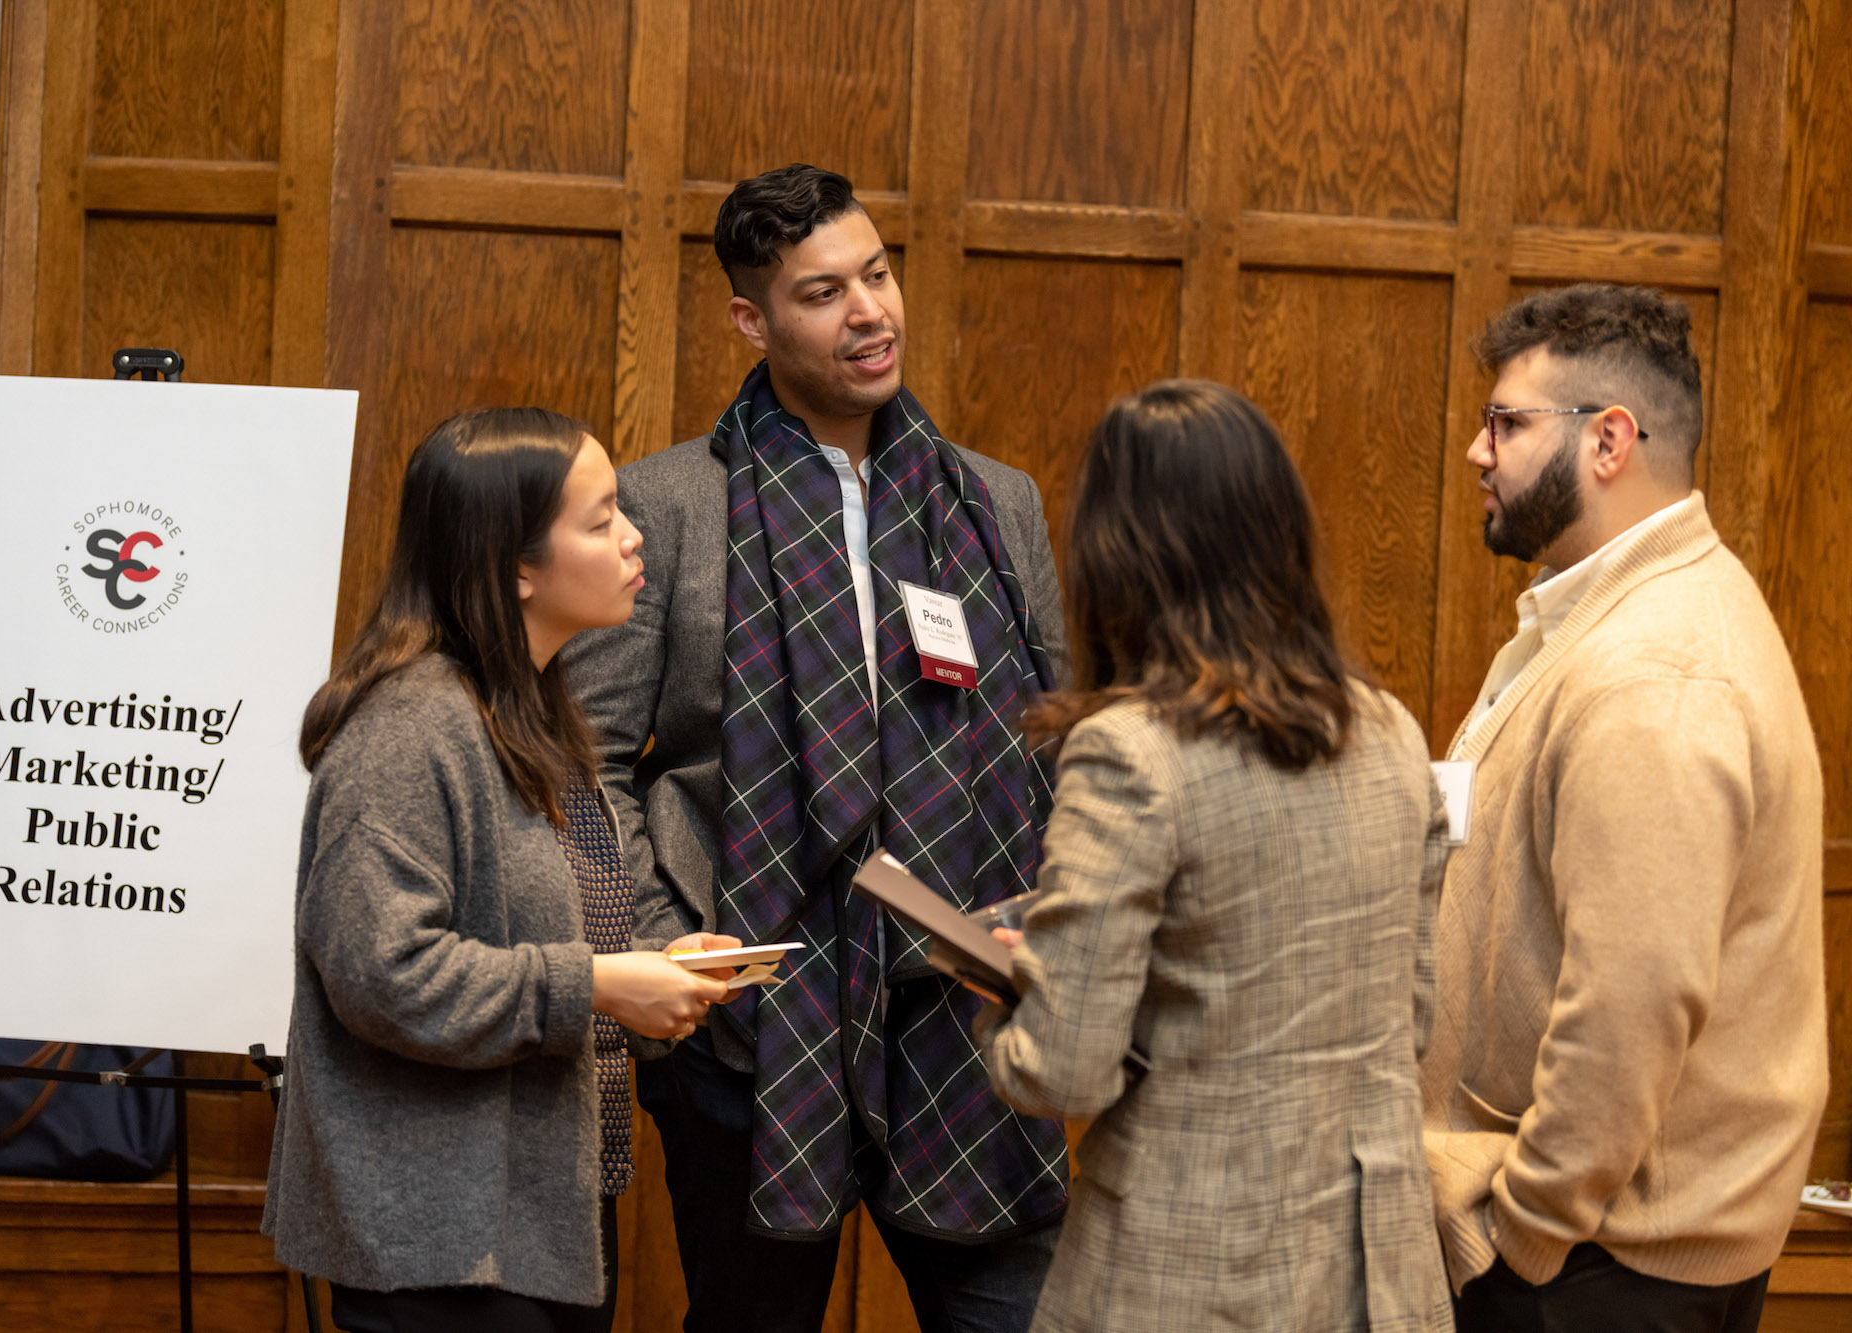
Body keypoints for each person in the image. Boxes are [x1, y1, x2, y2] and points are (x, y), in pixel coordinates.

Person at [561, 164, 1069, 1332]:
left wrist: (1046, 925)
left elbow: (1054, 739)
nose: (868, 314)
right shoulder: (667, 503)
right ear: (752, 317)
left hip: (965, 1021)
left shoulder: (996, 503)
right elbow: (588, 762)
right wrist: (655, 949)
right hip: (751, 1026)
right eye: (822, 292)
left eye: (877, 277)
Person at [975, 379, 1455, 1332]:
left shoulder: (1130, 750)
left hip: (1186, 1265)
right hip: (1374, 1268)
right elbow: (1408, 1017)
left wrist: (1004, 993)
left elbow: (1063, 1070)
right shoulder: (1392, 732)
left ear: (1115, 552)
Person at [262, 407, 738, 1333]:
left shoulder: (528, 709)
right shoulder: (411, 724)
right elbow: (382, 974)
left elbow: (551, 916)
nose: (637, 537)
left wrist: (656, 964)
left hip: (533, 1218)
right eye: (601, 522)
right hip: (439, 1239)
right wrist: (599, 984)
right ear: (515, 563)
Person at [1421, 284, 1827, 1333]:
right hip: (1591, 1256)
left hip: (1596, 1273)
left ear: (1605, 441)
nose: (1476, 450)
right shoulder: (1610, 613)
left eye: (1504, 423)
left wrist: (1519, 1235)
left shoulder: (1656, 670)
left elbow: (1628, 1008)